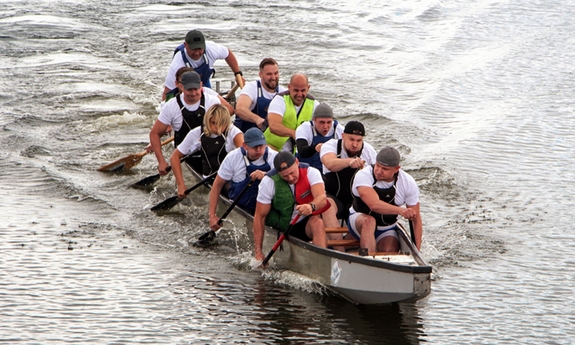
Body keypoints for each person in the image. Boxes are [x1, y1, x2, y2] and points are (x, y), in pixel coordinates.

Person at [253, 151, 329, 262]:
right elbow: (259, 217)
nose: (290, 178)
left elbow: (322, 198)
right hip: (282, 225)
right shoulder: (268, 182)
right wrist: (258, 251)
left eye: (292, 173)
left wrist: (311, 206)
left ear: (297, 162)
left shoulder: (311, 172)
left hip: (303, 221)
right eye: (285, 176)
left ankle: (322, 262)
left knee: (318, 223)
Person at [348, 146, 423, 253]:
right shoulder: (363, 175)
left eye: (385, 169)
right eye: (378, 166)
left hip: (387, 228)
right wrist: (401, 211)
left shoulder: (407, 183)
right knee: (369, 221)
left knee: (389, 251)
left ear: (397, 169)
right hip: (358, 222)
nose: (378, 171)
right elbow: (374, 205)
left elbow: (416, 220)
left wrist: (417, 252)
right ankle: (368, 260)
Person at [319, 120, 377, 250]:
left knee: (370, 215)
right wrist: (350, 162)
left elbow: (378, 179)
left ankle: (367, 255)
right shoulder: (331, 146)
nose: (355, 144)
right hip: (334, 198)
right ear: (343, 136)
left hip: (355, 202)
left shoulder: (369, 152)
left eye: (359, 141)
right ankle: (339, 251)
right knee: (326, 205)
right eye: (351, 139)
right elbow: (330, 163)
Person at [150, 71, 221, 175]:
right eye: (189, 89)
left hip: (212, 152)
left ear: (201, 85)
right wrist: (161, 161)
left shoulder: (213, 102)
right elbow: (155, 133)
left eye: (196, 89)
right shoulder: (171, 106)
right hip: (186, 154)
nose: (193, 93)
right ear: (181, 87)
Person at [208, 128, 278, 230]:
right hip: (241, 204)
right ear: (244, 145)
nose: (259, 150)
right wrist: (212, 215)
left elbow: (286, 181)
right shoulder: (233, 157)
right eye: (255, 147)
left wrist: (267, 175)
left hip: (265, 206)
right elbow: (217, 185)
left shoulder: (274, 157)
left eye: (261, 146)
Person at [170, 104, 243, 197]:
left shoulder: (234, 133)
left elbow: (245, 156)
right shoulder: (196, 133)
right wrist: (180, 185)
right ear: (208, 120)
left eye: (222, 124)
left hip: (230, 178)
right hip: (210, 178)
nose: (218, 128)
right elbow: (175, 157)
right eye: (214, 123)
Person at [162, 30, 245, 100]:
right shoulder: (177, 64)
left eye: (200, 49)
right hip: (186, 86)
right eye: (194, 49)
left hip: (204, 81)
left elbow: (228, 54)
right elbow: (167, 92)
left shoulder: (211, 49)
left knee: (209, 102)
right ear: (185, 45)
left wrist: (237, 73)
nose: (197, 53)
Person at [263, 73, 319, 153]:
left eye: (303, 90)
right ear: (289, 87)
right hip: (271, 148)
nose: (299, 94)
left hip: (297, 154)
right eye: (296, 90)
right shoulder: (279, 100)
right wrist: (295, 134)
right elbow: (273, 126)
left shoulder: (314, 104)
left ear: (308, 88)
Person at [234, 58, 286, 132]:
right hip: (247, 136)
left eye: (276, 73)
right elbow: (240, 109)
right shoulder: (251, 88)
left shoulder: (283, 91)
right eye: (269, 74)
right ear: (260, 75)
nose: (273, 77)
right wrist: (257, 119)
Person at [164, 66, 234, 116]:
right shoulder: (171, 99)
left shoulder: (207, 93)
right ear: (177, 84)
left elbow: (230, 110)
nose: (193, 92)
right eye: (185, 82)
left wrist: (213, 120)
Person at [295, 103, 344, 171]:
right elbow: (302, 151)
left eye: (329, 122)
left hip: (328, 173)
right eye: (322, 122)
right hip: (306, 171)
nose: (326, 126)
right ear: (314, 120)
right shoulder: (304, 128)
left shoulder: (339, 129)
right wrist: (315, 148)